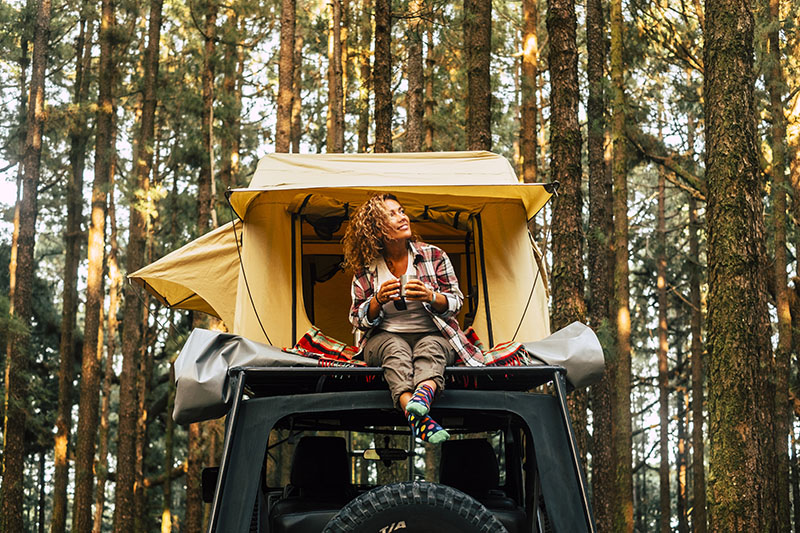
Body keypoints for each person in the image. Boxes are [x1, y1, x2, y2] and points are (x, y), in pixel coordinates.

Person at [343, 193, 483, 444]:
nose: (403, 217)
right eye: (392, 214)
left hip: (433, 332)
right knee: (394, 350)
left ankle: (420, 401)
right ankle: (417, 415)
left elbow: (456, 303)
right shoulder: (366, 269)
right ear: (376, 228)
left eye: (402, 211)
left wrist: (431, 296)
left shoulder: (434, 256)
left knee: (432, 348)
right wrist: (376, 301)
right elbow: (357, 319)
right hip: (384, 338)